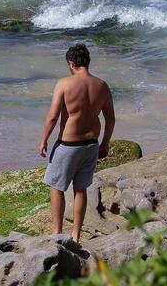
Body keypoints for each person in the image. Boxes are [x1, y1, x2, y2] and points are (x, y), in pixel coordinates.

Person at [38, 43, 115, 243]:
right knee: (80, 189)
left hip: (68, 146)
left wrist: (44, 140)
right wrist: (105, 144)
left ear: (71, 63)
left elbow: (53, 116)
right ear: (87, 62)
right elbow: (110, 118)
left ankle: (57, 233)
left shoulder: (64, 84)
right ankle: (76, 236)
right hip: (91, 144)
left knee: (56, 187)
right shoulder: (102, 85)